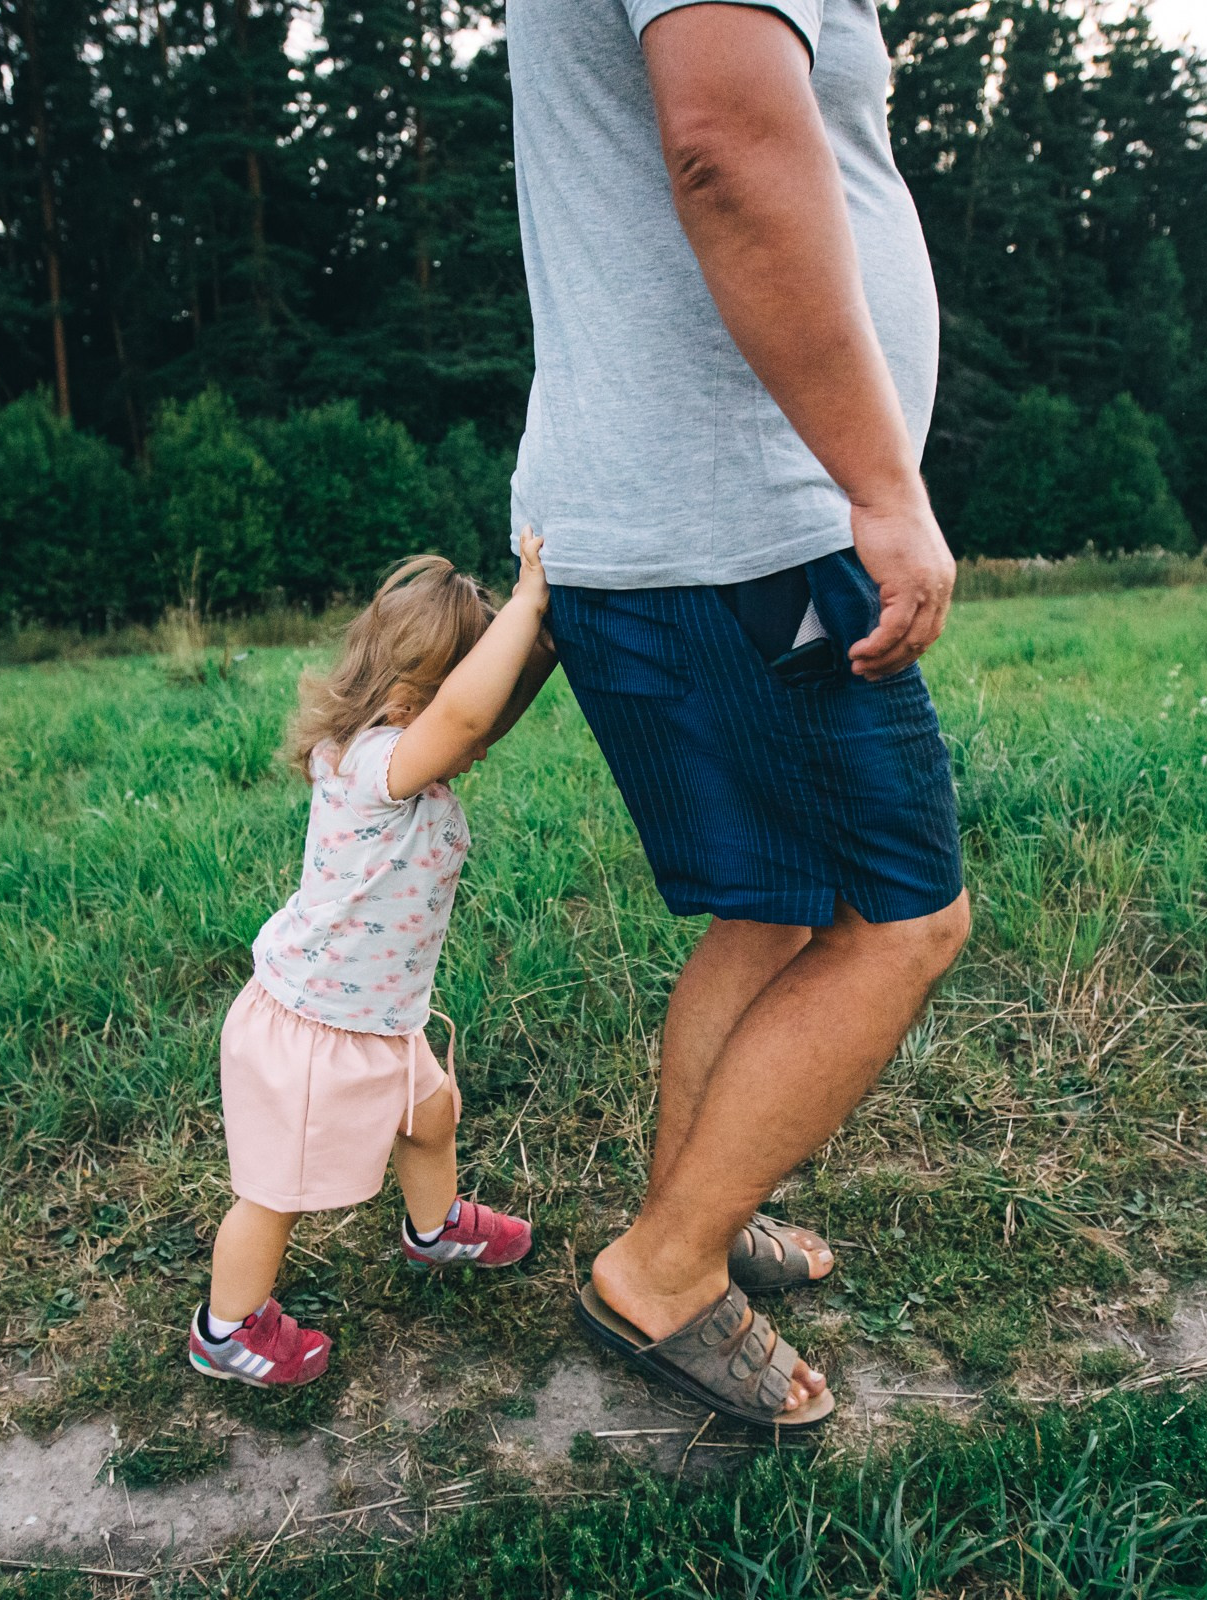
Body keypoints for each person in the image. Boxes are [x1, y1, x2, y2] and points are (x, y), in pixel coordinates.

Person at [508, 0, 972, 1428]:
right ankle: (661, 1272)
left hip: (682, 527)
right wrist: (882, 488)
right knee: (902, 917)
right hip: (743, 535)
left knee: (773, 906)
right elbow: (724, 143)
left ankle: (694, 1216)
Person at [189, 542, 558, 1387]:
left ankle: (434, 1231)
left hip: (376, 1017)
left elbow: (476, 715)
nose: (484, 733)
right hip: (317, 1028)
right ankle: (227, 1327)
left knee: (432, 1113)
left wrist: (546, 639)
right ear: (412, 698)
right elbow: (466, 720)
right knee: (272, 1196)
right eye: (466, 700)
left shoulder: (389, 746)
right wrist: (528, 599)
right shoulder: (374, 767)